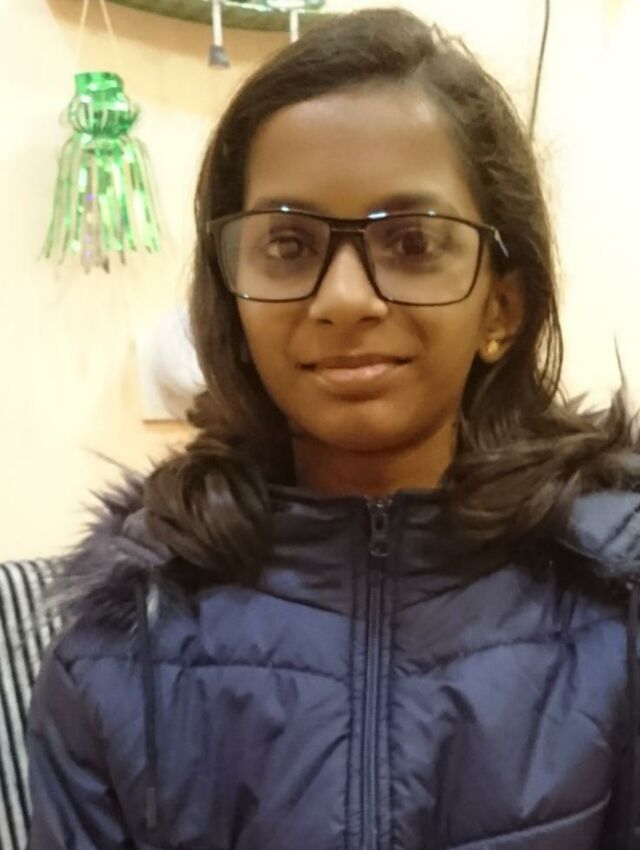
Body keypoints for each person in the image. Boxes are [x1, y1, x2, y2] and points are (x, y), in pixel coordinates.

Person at [26, 7, 640, 850]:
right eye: (287, 245)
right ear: (232, 302)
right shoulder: (121, 645)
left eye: (413, 242)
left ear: (501, 307)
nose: (345, 299)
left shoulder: (616, 607)